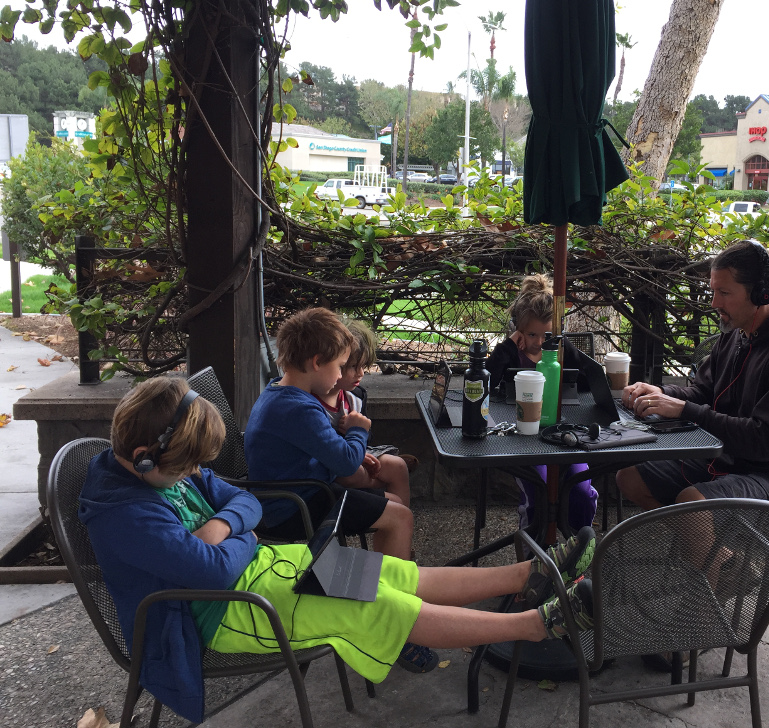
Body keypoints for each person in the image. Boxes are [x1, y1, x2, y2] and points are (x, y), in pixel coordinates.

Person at [78, 376, 596, 724]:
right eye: (186, 469)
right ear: (145, 458)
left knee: (389, 574)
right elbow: (210, 575)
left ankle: (526, 574)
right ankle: (533, 625)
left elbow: (240, 498)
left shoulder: (159, 464)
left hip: (267, 573)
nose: (195, 475)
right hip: (225, 613)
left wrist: (223, 528)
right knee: (380, 605)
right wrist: (237, 537)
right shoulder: (123, 513)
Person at [615, 240, 769, 526]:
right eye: (713, 291)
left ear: (760, 293)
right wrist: (662, 394)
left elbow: (766, 441)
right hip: (732, 461)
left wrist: (684, 409)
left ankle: (715, 559)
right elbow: (704, 392)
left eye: (724, 292)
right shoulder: (737, 334)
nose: (714, 303)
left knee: (693, 505)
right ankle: (719, 553)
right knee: (631, 477)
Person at [244, 308, 414, 560]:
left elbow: (325, 451)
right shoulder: (299, 409)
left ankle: (385, 578)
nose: (339, 375)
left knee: (396, 505)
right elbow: (345, 464)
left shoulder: (278, 394)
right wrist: (358, 431)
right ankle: (394, 592)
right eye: (341, 366)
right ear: (317, 362)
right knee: (400, 516)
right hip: (293, 506)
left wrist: (353, 452)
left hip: (297, 493)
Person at [486, 274, 599, 532]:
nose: (539, 342)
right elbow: (487, 381)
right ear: (519, 330)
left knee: (582, 490)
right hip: (523, 437)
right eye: (531, 334)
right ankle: (533, 555)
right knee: (539, 489)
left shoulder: (559, 350)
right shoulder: (511, 352)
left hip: (565, 434)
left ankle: (577, 547)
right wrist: (507, 347)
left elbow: (586, 383)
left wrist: (562, 345)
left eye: (546, 334)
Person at [313, 317, 414, 508]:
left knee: (398, 467)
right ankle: (385, 500)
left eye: (364, 366)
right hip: (331, 469)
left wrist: (356, 431)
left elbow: (365, 438)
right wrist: (348, 434)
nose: (361, 373)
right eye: (353, 366)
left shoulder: (355, 397)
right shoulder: (311, 402)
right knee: (360, 477)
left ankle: (395, 515)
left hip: (354, 455)